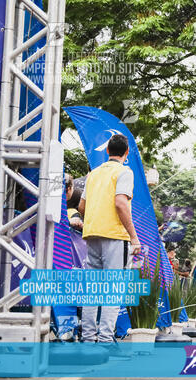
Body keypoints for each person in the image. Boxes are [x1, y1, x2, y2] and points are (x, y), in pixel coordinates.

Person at [78, 134, 141, 350]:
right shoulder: (125, 171)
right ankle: (105, 341)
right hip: (115, 235)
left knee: (92, 290)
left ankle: (88, 339)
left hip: (92, 234)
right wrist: (133, 236)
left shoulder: (93, 174)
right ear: (126, 153)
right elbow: (121, 203)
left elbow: (81, 207)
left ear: (107, 151)